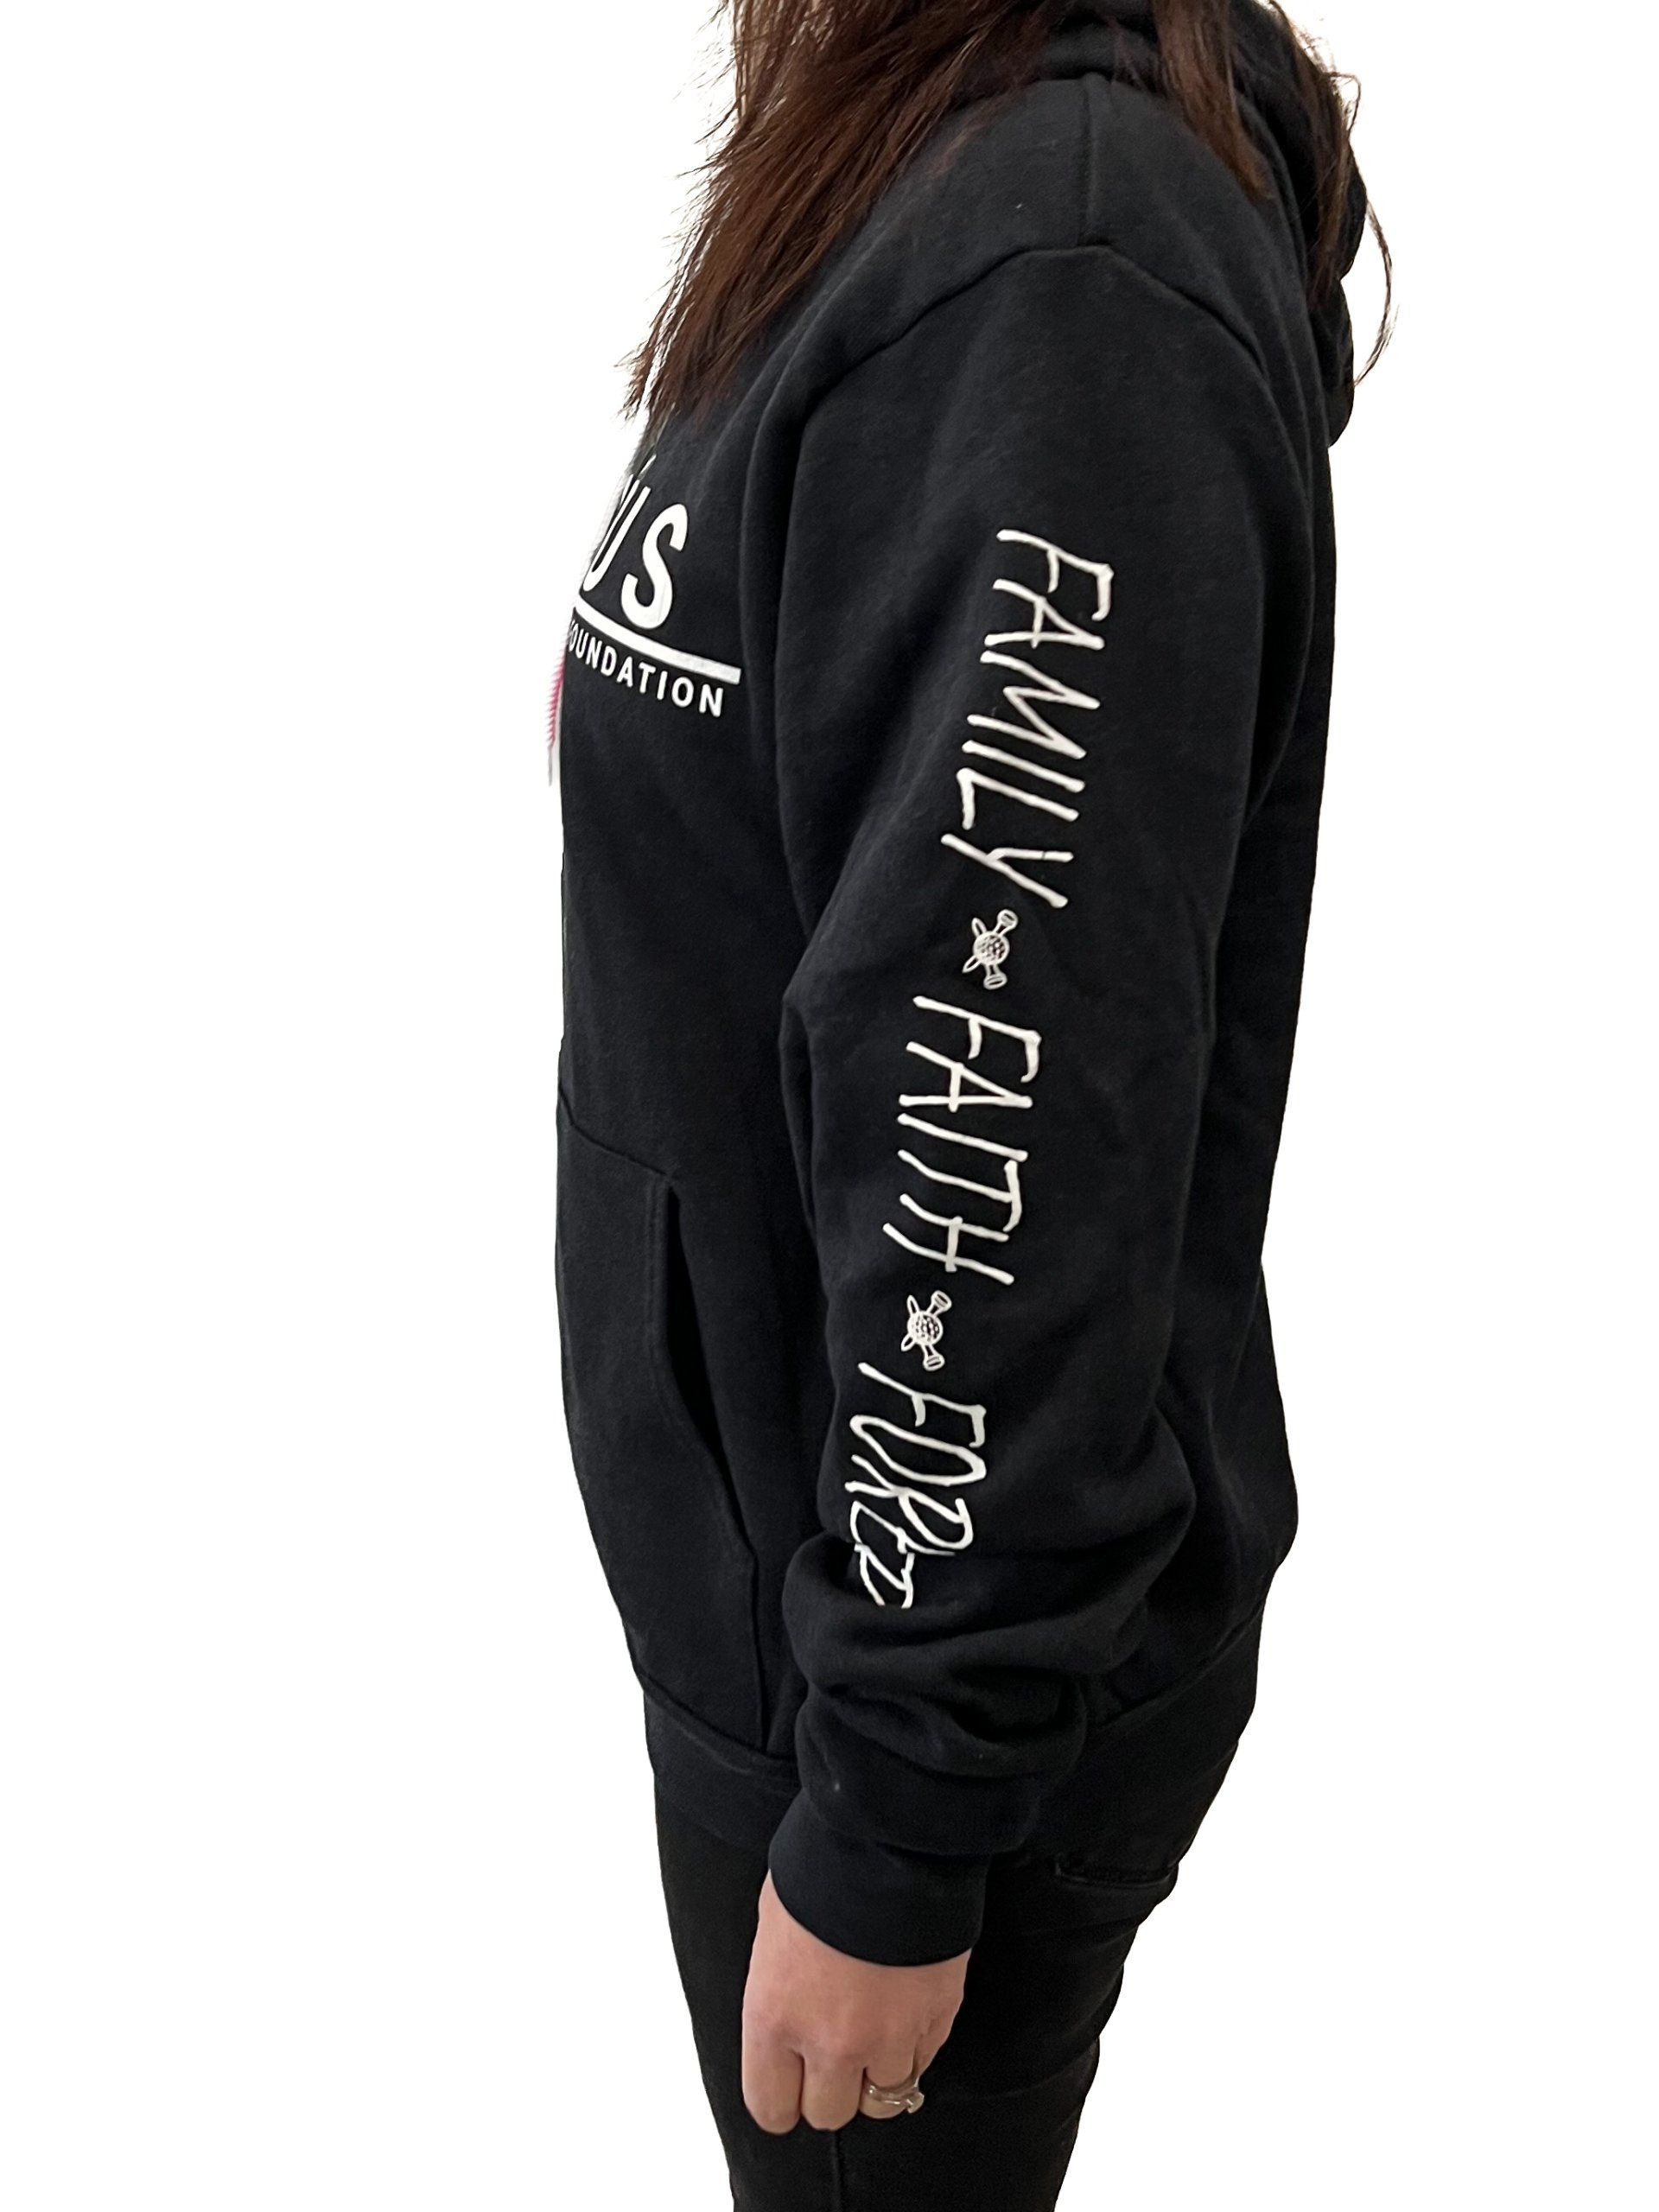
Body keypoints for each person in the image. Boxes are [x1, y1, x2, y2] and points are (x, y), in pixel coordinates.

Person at [553, 3, 1384, 2202]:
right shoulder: (924, 147)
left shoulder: (1065, 280)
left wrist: (897, 1818)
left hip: (900, 1674)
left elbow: (1010, 1108)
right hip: (798, 1588)